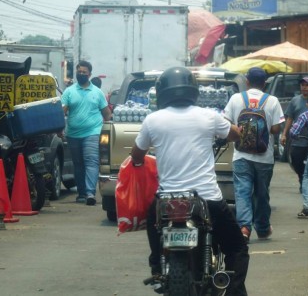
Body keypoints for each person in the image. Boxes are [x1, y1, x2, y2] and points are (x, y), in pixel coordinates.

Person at [130, 67, 249, 295]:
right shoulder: (209, 116)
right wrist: (237, 130)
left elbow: (137, 155)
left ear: (162, 92)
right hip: (207, 199)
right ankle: (235, 291)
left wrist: (140, 161)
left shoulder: (152, 120)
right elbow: (234, 134)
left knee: (152, 220)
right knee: (237, 248)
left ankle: (157, 267)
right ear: (192, 89)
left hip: (167, 200)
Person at [223, 67, 284, 242]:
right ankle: (263, 229)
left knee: (242, 192)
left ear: (247, 82)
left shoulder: (236, 99)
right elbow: (275, 128)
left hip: (241, 156)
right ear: (264, 83)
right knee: (262, 193)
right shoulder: (272, 101)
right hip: (265, 157)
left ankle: (244, 227)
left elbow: (227, 123)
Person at [61, 60, 111, 205]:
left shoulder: (97, 92)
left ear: (89, 74)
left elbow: (107, 114)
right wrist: (59, 129)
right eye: (79, 72)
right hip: (73, 134)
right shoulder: (69, 92)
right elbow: (62, 112)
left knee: (91, 162)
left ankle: (90, 193)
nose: (81, 74)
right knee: (78, 164)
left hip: (92, 132)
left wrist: (108, 131)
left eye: (84, 72)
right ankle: (81, 193)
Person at [280, 76, 308, 192]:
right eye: (302, 85)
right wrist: (284, 134)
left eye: (307, 85)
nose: (304, 87)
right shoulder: (295, 100)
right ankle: (302, 178)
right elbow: (289, 118)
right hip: (297, 139)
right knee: (296, 161)